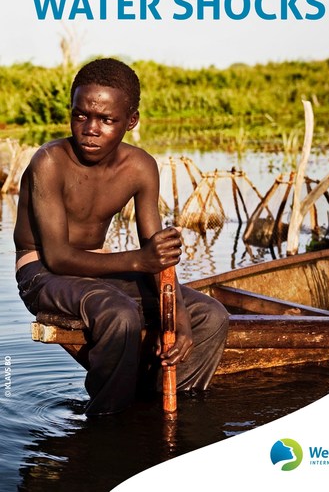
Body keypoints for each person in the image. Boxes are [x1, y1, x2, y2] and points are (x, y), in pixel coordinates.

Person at [14, 58, 229, 416]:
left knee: (211, 314)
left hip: (99, 268)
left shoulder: (140, 167)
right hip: (42, 272)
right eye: (81, 115)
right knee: (119, 313)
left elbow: (156, 258)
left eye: (107, 120)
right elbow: (57, 258)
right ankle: (108, 417)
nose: (90, 129)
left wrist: (182, 321)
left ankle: (168, 400)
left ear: (131, 121)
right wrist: (136, 261)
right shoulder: (49, 162)